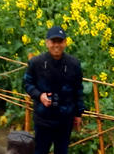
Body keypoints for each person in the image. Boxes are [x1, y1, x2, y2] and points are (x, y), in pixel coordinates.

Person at [22, 26, 83, 154]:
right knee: (40, 150)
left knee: (62, 151)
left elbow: (78, 90)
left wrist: (78, 114)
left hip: (65, 120)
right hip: (43, 119)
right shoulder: (36, 63)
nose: (56, 45)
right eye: (53, 41)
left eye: (60, 41)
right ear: (47, 43)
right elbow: (27, 84)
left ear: (65, 43)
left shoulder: (74, 64)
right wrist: (40, 96)